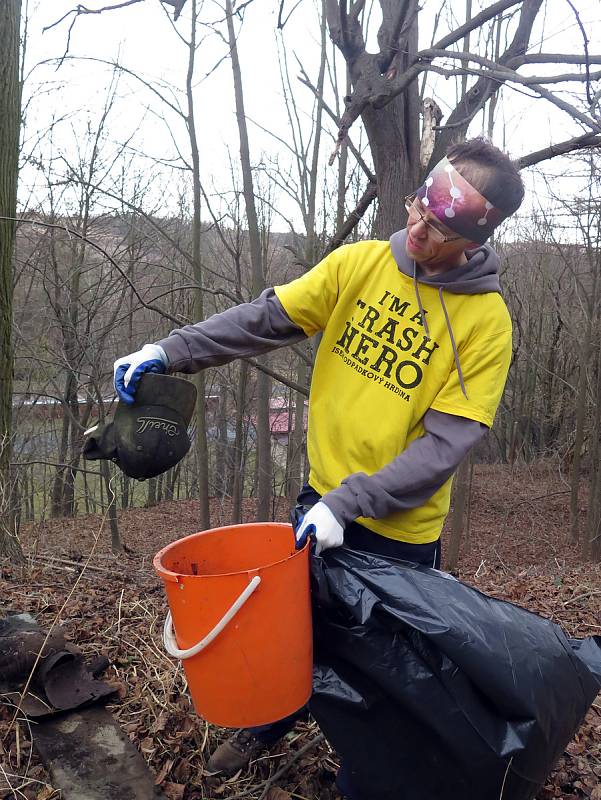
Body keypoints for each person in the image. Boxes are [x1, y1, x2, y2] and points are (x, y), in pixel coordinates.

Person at [113, 138, 524, 799]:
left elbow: (446, 445)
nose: (417, 229)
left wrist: (352, 501)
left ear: (473, 242)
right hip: (319, 498)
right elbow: (267, 318)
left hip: (398, 533)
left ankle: (361, 779)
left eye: (439, 228)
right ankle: (276, 715)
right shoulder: (360, 265)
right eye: (417, 209)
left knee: (378, 675)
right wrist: (171, 349)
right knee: (291, 624)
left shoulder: (485, 323)